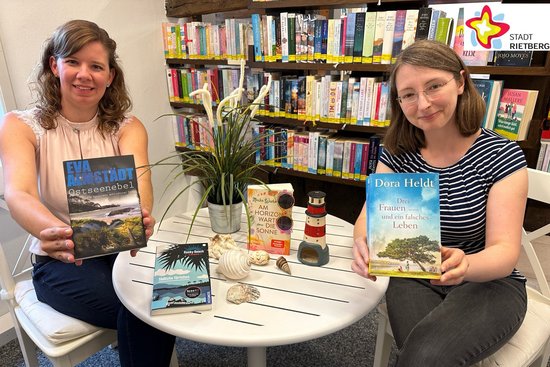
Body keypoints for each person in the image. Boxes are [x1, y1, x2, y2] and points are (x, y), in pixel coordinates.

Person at [0, 20, 175, 366]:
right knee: (151, 307)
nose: (84, 74)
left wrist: (141, 214)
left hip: (120, 252)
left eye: (96, 66)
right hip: (60, 260)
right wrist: (57, 233)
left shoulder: (128, 127)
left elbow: (142, 185)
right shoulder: (21, 125)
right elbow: (17, 193)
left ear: (110, 76)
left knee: (163, 296)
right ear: (54, 65)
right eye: (73, 62)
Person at [352, 40, 528, 366]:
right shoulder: (398, 152)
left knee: (425, 355)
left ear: (460, 82)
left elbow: (505, 251)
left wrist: (467, 265)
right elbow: (368, 217)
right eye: (408, 94)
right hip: (412, 272)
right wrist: (362, 243)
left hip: (487, 280)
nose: (423, 104)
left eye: (434, 86)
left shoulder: (501, 155)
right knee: (425, 355)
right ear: (398, 101)